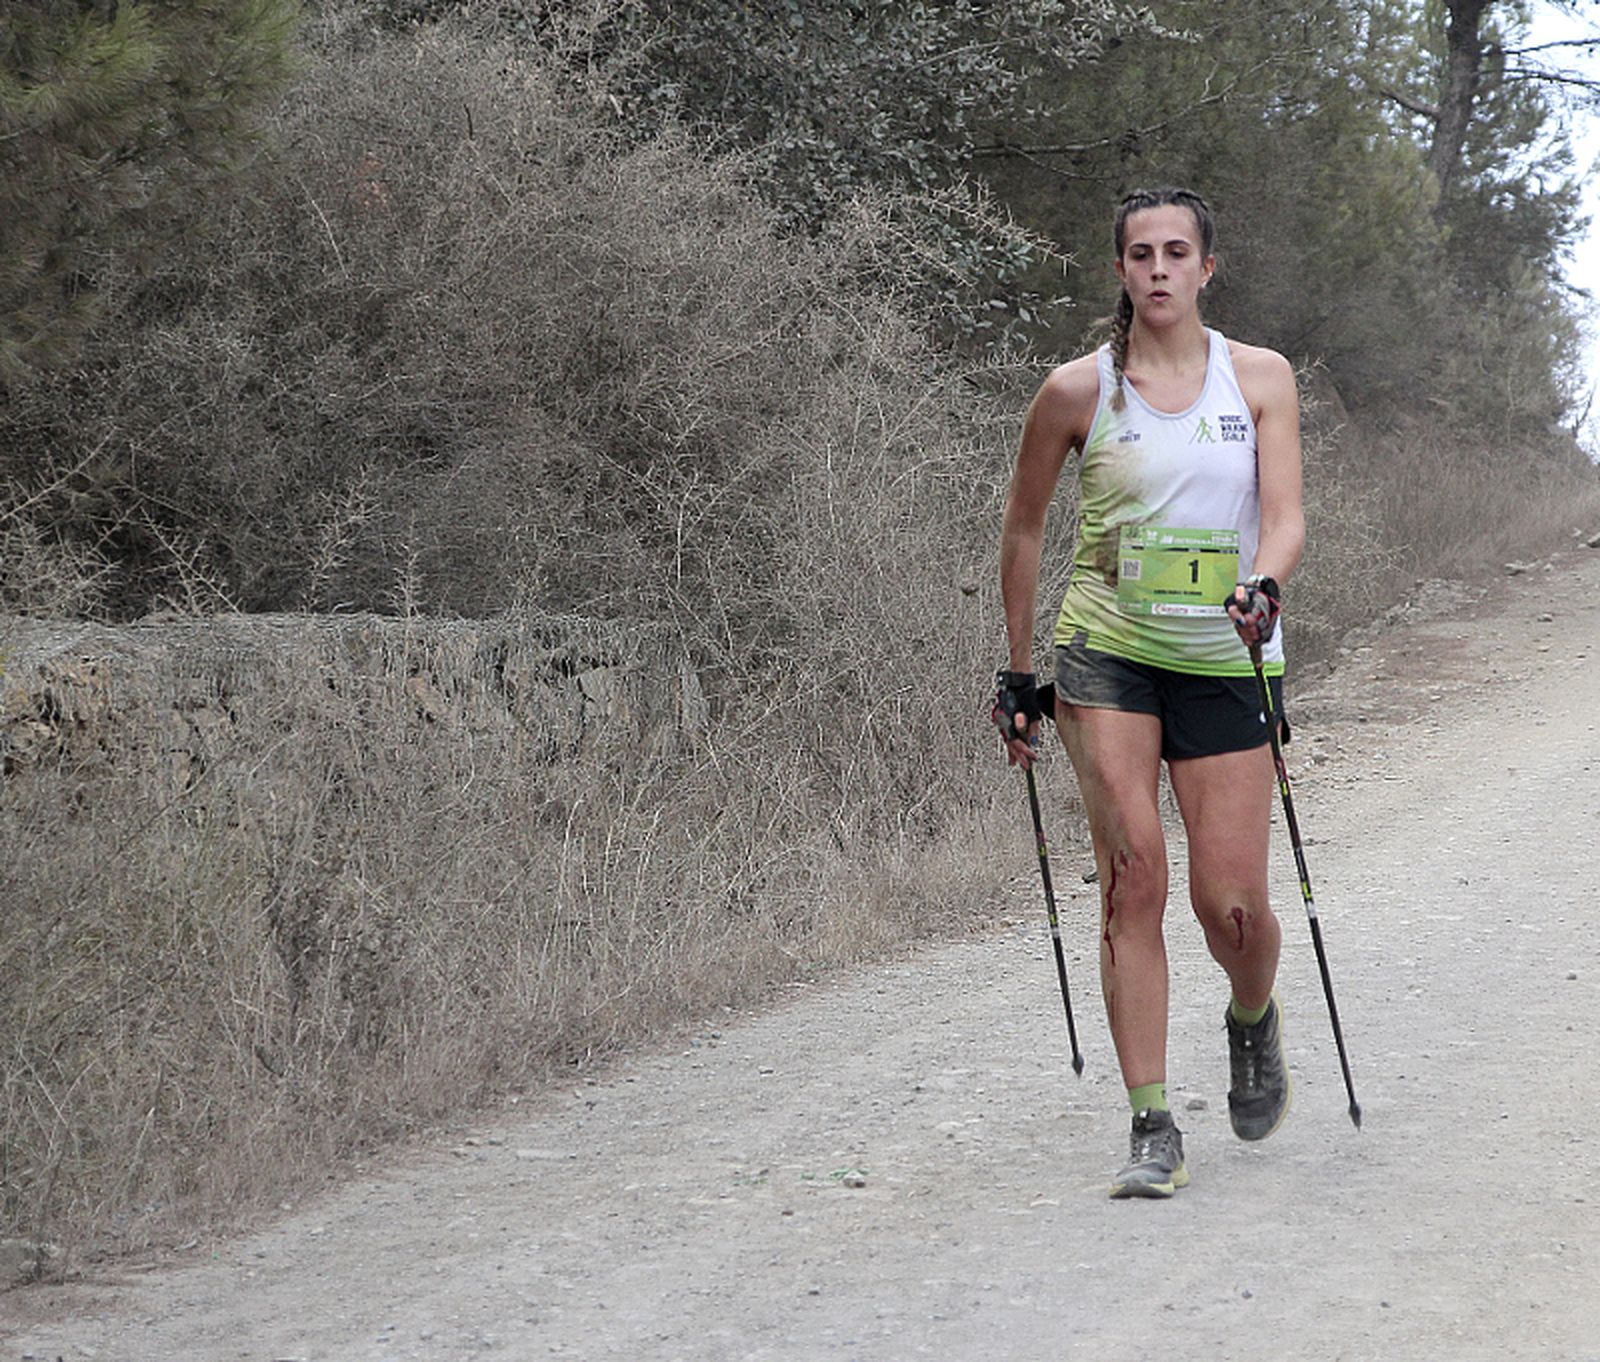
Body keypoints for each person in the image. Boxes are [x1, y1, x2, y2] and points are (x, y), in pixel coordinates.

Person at [993, 186, 1305, 1199]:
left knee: (1233, 908)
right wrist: (1015, 671)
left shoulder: (1258, 378)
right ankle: (1150, 1123)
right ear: (1120, 271)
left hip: (1224, 655)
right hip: (1105, 656)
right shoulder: (1075, 392)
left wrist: (1263, 583)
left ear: (1207, 268)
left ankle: (1252, 1016)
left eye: (1177, 252)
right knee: (1134, 876)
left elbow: (1286, 517)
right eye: (1140, 254)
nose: (1159, 269)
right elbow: (1027, 528)